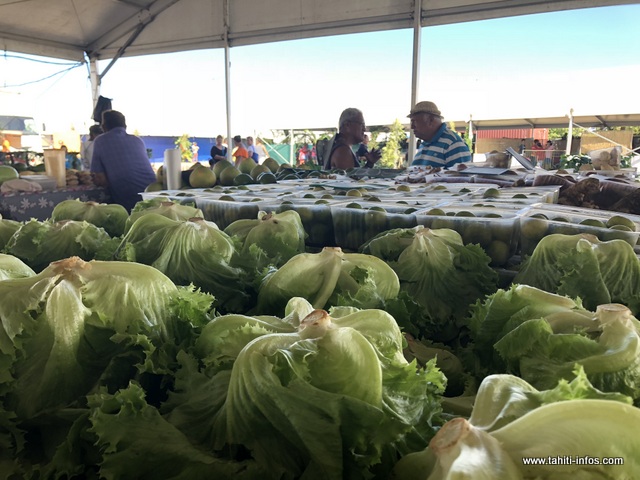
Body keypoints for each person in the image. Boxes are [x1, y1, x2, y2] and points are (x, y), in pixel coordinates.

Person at [91, 110, 157, 212]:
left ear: (104, 126)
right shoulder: (137, 140)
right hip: (153, 192)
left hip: (128, 198)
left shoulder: (100, 141)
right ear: (125, 126)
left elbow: (100, 179)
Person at [408, 101, 472, 168]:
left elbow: (462, 174)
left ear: (431, 120)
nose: (412, 126)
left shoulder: (453, 144)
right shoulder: (424, 143)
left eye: (414, 121)